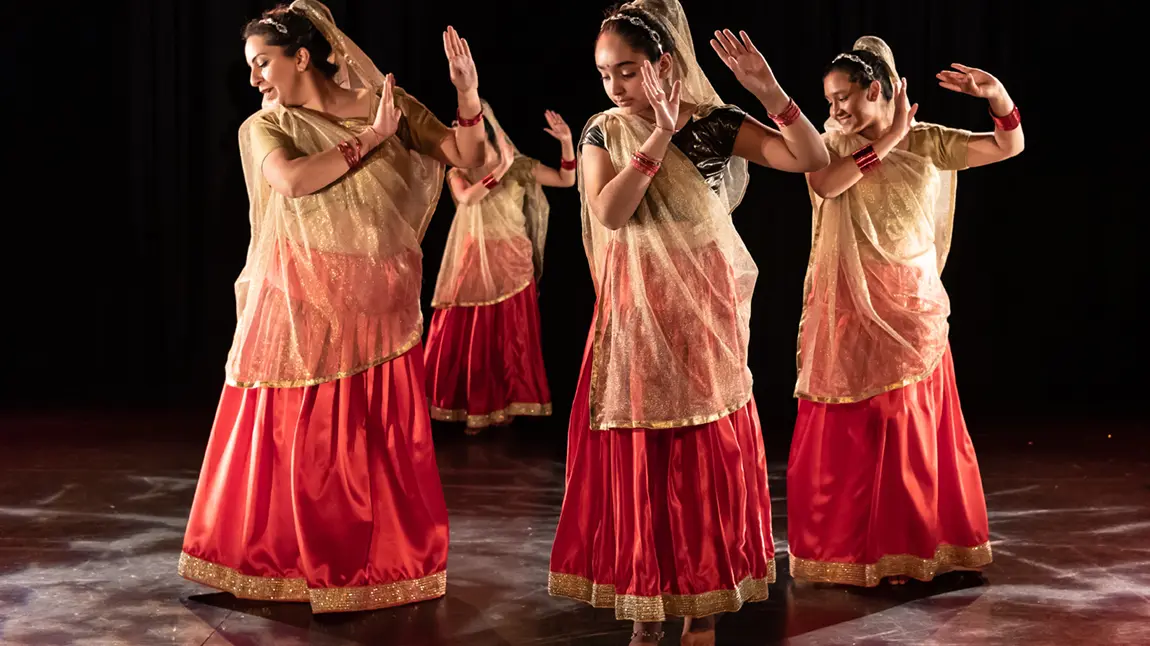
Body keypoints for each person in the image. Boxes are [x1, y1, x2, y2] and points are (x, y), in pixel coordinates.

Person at [178, 0, 489, 613]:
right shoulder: (266, 126)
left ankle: (373, 560)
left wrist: (468, 95)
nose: (254, 78)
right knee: (296, 433)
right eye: (250, 66)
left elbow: (469, 157)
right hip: (298, 298)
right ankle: (278, 561)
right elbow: (292, 182)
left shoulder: (390, 108)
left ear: (301, 56)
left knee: (369, 434)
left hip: (374, 302)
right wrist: (371, 140)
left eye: (262, 62)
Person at [547, 2, 828, 644]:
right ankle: (647, 602)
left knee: (702, 450)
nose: (615, 87)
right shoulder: (603, 131)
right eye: (605, 74)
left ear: (664, 64)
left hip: (704, 306)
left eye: (627, 71)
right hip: (635, 311)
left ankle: (701, 603)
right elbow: (610, 213)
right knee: (645, 454)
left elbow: (809, 158)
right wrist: (655, 135)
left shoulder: (712, 125)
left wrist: (768, 90)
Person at [787, 36, 1024, 587]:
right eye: (829, 100)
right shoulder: (828, 146)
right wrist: (887, 140)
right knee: (854, 429)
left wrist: (998, 95)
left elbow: (1007, 146)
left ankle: (909, 549)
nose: (835, 110)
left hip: (909, 307)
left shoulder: (929, 142)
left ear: (878, 89)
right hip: (847, 303)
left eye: (843, 97)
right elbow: (826, 185)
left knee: (905, 431)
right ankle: (843, 552)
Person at [424, 101, 576, 432]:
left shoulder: (520, 167)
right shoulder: (459, 171)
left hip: (513, 263)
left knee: (510, 338)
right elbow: (467, 198)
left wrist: (566, 142)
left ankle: (506, 405)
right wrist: (500, 170)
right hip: (474, 260)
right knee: (474, 334)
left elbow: (565, 180)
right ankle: (473, 409)